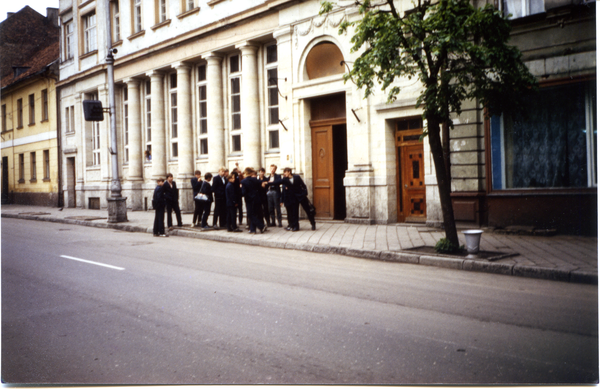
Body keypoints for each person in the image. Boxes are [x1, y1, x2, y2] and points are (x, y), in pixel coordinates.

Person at [241, 167, 267, 234]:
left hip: (249, 200)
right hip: (256, 199)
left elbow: (243, 193)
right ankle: (253, 229)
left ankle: (261, 226)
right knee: (254, 214)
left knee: (250, 215)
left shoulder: (243, 181)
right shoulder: (255, 179)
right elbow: (260, 185)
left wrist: (240, 189)